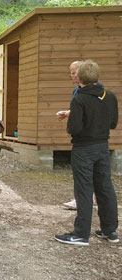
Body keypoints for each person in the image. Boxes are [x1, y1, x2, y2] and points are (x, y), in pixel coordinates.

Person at [54, 60, 119, 246]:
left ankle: (81, 234)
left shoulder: (80, 99)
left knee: (83, 189)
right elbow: (113, 123)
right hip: (102, 146)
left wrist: (72, 119)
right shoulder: (110, 96)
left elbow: (74, 128)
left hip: (83, 149)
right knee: (105, 188)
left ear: (80, 77)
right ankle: (110, 231)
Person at [57, 61, 100, 210]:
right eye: (71, 73)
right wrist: (68, 113)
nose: (72, 76)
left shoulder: (96, 91)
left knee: (85, 171)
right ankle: (85, 197)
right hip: (86, 139)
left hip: (88, 139)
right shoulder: (77, 90)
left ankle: (83, 200)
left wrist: (73, 126)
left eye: (75, 73)